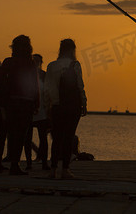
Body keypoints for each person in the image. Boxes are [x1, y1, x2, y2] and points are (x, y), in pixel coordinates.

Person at [0, 35, 39, 175]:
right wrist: (36, 102)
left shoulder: (8, 62)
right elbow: (35, 84)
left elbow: (0, 83)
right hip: (26, 102)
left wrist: (1, 102)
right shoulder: (30, 63)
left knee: (10, 133)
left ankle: (3, 162)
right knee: (21, 135)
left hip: (11, 102)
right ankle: (15, 164)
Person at [44, 38, 87, 179]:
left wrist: (47, 106)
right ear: (72, 50)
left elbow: (47, 89)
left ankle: (53, 169)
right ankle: (65, 170)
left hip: (57, 106)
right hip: (72, 106)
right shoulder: (75, 65)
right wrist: (84, 103)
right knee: (68, 137)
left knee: (57, 138)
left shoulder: (51, 66)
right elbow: (80, 86)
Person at [24, 54, 51, 171]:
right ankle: (29, 162)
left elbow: (49, 91)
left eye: (37, 61)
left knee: (43, 138)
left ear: (41, 62)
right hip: (29, 110)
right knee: (27, 137)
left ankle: (44, 162)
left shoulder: (44, 75)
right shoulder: (26, 75)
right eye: (33, 61)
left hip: (42, 111)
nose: (35, 63)